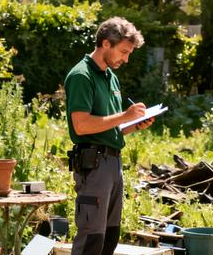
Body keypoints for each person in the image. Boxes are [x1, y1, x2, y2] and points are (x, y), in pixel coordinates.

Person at [64, 17, 153, 255]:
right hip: (94, 167)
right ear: (105, 44)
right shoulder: (81, 76)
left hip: (114, 164)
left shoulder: (111, 77)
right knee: (91, 240)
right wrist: (125, 116)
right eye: (123, 52)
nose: (126, 59)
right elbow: (81, 126)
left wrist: (133, 125)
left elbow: (110, 126)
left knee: (110, 237)